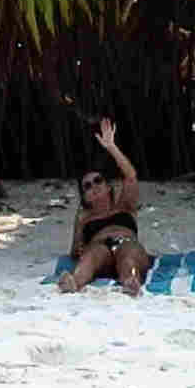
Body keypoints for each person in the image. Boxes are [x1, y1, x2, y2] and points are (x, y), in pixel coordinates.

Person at [59, 118, 151, 296]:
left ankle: (131, 281)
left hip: (127, 243)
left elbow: (130, 176)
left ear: (108, 186)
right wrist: (79, 249)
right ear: (84, 196)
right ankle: (74, 282)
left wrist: (111, 147)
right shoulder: (84, 217)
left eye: (98, 181)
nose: (93, 186)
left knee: (128, 256)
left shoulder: (125, 205)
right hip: (100, 250)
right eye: (87, 186)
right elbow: (74, 250)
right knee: (92, 256)